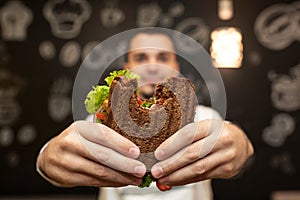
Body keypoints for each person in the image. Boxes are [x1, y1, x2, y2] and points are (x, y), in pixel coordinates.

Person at [36, 29, 254, 200]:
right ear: (127, 67)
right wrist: (47, 159)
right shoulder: (101, 120)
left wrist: (241, 145)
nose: (152, 67)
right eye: (141, 57)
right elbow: (62, 152)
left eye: (163, 57)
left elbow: (240, 148)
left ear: (175, 66)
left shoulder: (205, 117)